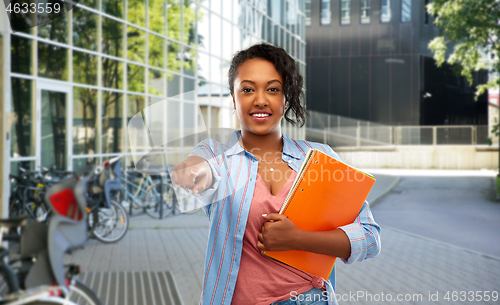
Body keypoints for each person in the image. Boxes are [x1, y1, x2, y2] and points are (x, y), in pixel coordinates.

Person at [172, 43, 381, 305]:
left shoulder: (319, 158)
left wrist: (297, 239)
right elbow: (196, 166)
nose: (260, 99)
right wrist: (191, 172)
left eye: (273, 89)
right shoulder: (218, 154)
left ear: (286, 97)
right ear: (233, 96)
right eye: (247, 89)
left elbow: (370, 238)